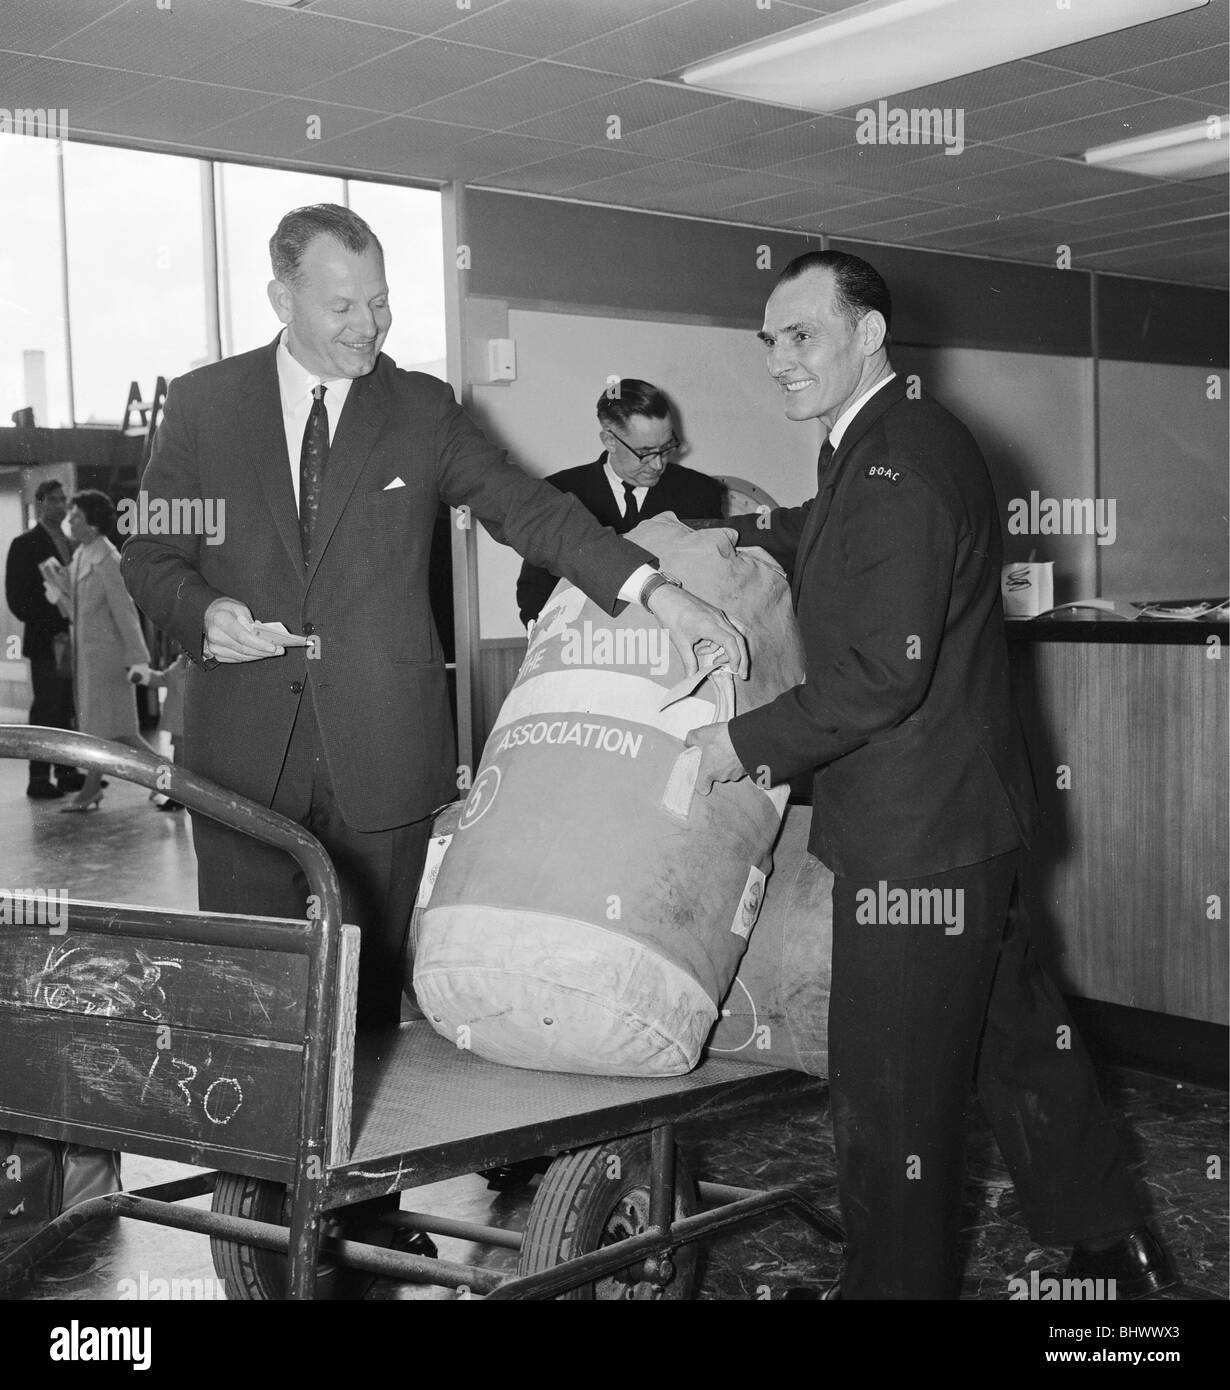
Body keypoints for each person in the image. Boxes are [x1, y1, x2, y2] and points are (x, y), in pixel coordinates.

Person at [122, 203, 745, 1028]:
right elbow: (150, 552)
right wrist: (202, 614)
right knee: (246, 1001)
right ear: (282, 300)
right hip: (240, 755)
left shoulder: (419, 408)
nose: (369, 324)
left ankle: (358, 1157)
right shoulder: (205, 404)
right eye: (343, 306)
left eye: (379, 301)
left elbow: (532, 511)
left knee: (371, 1010)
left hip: (384, 750)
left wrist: (658, 592)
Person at [686, 250, 1173, 1301]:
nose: (779, 358)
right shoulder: (886, 443)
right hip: (967, 820)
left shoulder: (896, 456)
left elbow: (879, 678)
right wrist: (743, 534)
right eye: (768, 340)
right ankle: (1109, 1245)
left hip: (920, 835)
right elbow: (856, 560)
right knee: (1018, 1041)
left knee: (892, 1100)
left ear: (867, 334)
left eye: (801, 334)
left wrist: (741, 742)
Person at [515, 379, 726, 625]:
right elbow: (536, 591)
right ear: (610, 441)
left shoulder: (701, 492)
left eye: (667, 448)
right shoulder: (559, 491)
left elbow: (715, 583)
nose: (658, 464)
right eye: (645, 452)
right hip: (584, 642)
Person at [48, 491, 155, 812]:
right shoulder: (83, 554)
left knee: (117, 733)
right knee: (108, 731)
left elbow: (126, 614)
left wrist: (139, 660)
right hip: (91, 662)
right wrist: (56, 587)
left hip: (110, 664)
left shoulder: (108, 560)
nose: (70, 522)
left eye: (76, 517)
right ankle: (97, 788)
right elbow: (78, 607)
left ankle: (167, 778)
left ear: (93, 525)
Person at [3, 478, 86, 798]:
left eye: (64, 499)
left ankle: (67, 773)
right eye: (54, 499)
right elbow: (16, 599)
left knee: (67, 706)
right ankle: (38, 778)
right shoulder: (24, 545)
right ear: (39, 504)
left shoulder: (73, 544)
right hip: (46, 639)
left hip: (72, 638)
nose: (61, 505)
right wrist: (52, 608)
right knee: (46, 707)